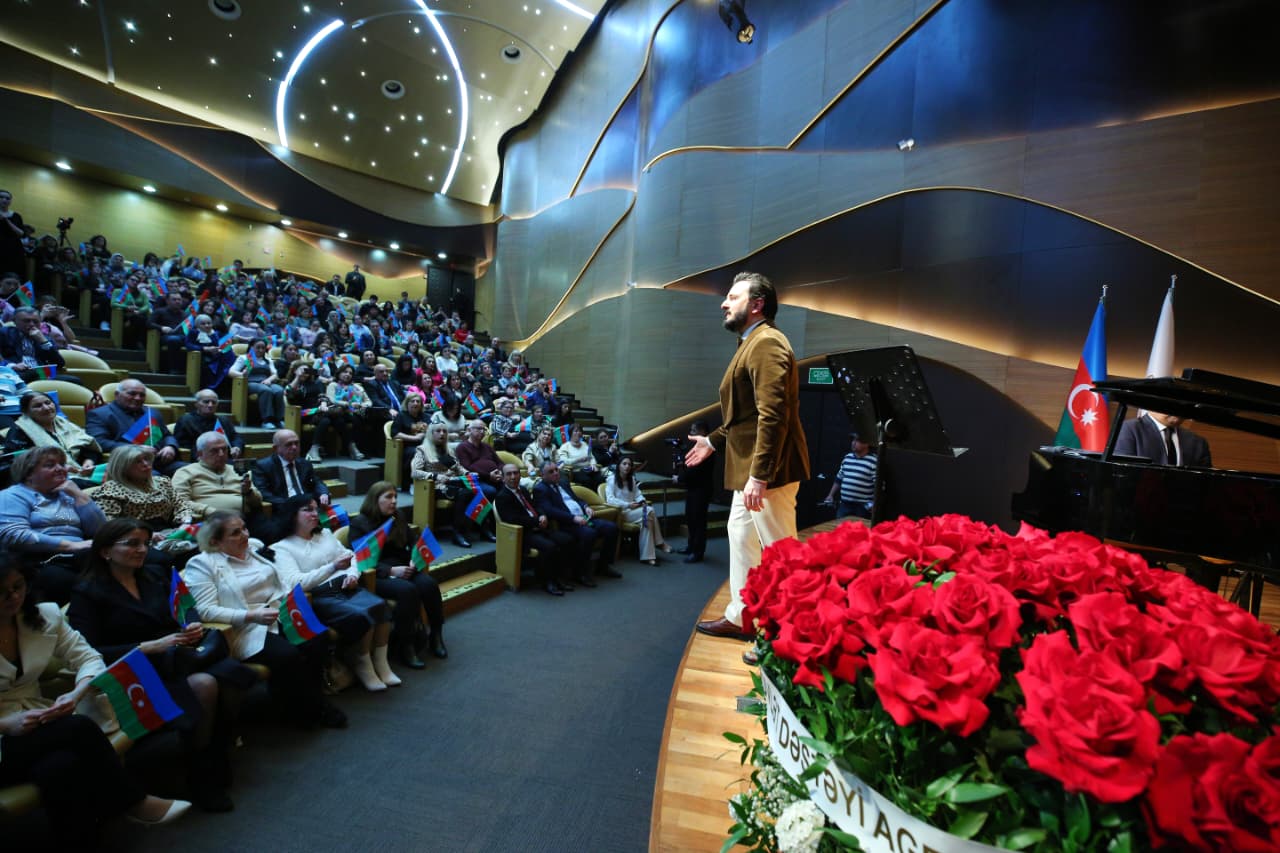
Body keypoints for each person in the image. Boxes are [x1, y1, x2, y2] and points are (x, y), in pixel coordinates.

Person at [0, 559, 191, 845]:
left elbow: (88, 657)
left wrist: (76, 692)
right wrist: (5, 723)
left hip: (34, 724)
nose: (14, 597)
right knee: (78, 728)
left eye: (18, 587)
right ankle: (132, 800)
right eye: (2, 592)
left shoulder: (43, 615)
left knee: (59, 767)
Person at [69, 519, 251, 813]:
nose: (142, 550)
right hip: (134, 671)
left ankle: (214, 750)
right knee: (205, 685)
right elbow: (88, 652)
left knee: (232, 677)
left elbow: (183, 608)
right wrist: (146, 648)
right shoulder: (87, 593)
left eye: (145, 543)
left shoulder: (153, 575)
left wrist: (189, 624)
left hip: (175, 656)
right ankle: (199, 770)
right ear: (105, 552)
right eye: (132, 544)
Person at [684, 272, 810, 656]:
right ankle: (743, 617)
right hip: (752, 471)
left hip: (767, 472)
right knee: (740, 537)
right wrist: (712, 440)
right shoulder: (751, 342)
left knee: (780, 551)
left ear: (757, 304)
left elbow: (773, 415)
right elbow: (746, 417)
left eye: (733, 296)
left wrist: (760, 475)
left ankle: (787, 634)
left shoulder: (767, 342)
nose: (724, 302)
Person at [184, 511, 347, 729]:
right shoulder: (202, 564)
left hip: (278, 613)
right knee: (287, 654)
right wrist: (251, 615)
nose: (244, 535)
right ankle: (312, 709)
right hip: (244, 626)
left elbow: (281, 585)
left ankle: (300, 702)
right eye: (235, 533)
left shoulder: (253, 550)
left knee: (317, 638)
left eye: (244, 528)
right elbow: (205, 610)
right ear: (215, 541)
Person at [269, 496, 399, 691]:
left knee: (380, 606)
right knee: (362, 615)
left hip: (346, 586)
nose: (315, 514)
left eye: (315, 509)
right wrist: (332, 567)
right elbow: (296, 583)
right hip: (319, 596)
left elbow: (351, 556)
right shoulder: (281, 548)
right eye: (308, 510)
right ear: (292, 515)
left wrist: (352, 574)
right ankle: (363, 664)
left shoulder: (326, 535)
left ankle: (381, 662)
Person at [348, 482, 447, 668]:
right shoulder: (359, 523)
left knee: (430, 585)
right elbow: (359, 560)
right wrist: (391, 571)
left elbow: (414, 542)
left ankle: (436, 634)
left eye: (395, 497)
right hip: (377, 574)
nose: (393, 501)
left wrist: (414, 561)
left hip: (404, 567)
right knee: (408, 591)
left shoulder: (398, 516)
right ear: (375, 499)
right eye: (388, 497)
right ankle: (406, 646)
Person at [1115, 409, 1217, 589]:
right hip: (1137, 526)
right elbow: (1122, 483)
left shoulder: (1197, 443)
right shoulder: (1129, 430)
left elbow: (1206, 490)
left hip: (1185, 527)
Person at [0, 447, 105, 604]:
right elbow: (13, 535)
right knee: (67, 581)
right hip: (42, 560)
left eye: (62, 464)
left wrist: (79, 495)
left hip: (82, 554)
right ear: (28, 473)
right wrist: (70, 546)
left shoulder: (68, 494)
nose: (60, 469)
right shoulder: (13, 495)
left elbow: (100, 531)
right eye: (50, 465)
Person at [92, 445, 198, 568]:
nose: (146, 464)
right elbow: (110, 524)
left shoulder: (162, 482)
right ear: (123, 467)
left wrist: (186, 522)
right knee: (163, 560)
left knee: (206, 547)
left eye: (146, 459)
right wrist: (146, 535)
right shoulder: (111, 489)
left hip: (169, 532)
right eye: (138, 461)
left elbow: (181, 505)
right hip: (134, 538)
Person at [494, 463, 576, 596]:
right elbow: (513, 519)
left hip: (538, 528)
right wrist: (536, 521)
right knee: (549, 547)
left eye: (516, 473)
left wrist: (542, 514)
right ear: (503, 478)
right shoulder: (502, 497)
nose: (513, 476)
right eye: (509, 474)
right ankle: (548, 581)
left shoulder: (523, 490)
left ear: (520, 475)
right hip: (523, 534)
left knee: (567, 540)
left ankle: (560, 576)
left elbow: (535, 506)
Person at [533, 462, 620, 586]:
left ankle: (603, 565)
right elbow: (549, 510)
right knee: (589, 534)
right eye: (551, 472)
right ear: (542, 475)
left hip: (584, 517)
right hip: (567, 523)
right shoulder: (540, 489)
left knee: (612, 528)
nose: (556, 473)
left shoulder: (563, 482)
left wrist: (585, 506)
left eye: (556, 470)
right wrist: (573, 518)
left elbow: (576, 499)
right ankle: (580, 573)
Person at [86, 378, 184, 476]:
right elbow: (99, 442)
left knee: (189, 471)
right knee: (155, 477)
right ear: (117, 394)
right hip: (128, 464)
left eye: (142, 395)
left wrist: (170, 446)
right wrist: (135, 448)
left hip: (159, 461)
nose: (137, 398)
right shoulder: (99, 414)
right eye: (132, 394)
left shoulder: (152, 412)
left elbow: (167, 435)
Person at [1, 391, 103, 478]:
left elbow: (87, 447)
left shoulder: (62, 423)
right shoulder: (20, 431)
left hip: (81, 471)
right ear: (26, 412)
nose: (46, 408)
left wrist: (89, 462)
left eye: (48, 402)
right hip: (49, 479)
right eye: (38, 406)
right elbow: (21, 465)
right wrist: (59, 468)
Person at [410, 423, 479, 547]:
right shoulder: (422, 449)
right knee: (465, 493)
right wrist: (435, 476)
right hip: (434, 486)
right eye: (438, 431)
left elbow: (458, 467)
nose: (442, 433)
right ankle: (457, 533)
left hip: (452, 482)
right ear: (431, 434)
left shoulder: (448, 449)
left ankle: (478, 527)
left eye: (444, 431)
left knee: (477, 489)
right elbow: (415, 472)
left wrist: (468, 473)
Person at [172, 431, 263, 521]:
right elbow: (180, 503)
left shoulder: (239, 471)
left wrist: (248, 492)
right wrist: (209, 511)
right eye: (214, 451)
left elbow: (257, 502)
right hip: (207, 521)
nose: (221, 454)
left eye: (224, 449)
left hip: (244, 518)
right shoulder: (185, 472)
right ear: (200, 454)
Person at [606, 456, 670, 565]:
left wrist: (642, 501)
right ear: (618, 466)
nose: (627, 466)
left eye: (629, 465)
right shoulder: (611, 479)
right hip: (621, 512)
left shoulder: (631, 479)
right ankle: (660, 542)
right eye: (624, 464)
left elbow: (638, 494)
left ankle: (648, 556)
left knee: (647, 521)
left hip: (634, 511)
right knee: (649, 510)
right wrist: (628, 505)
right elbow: (610, 500)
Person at [251, 429, 331, 512]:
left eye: (296, 443)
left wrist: (323, 493)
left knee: (339, 518)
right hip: (284, 508)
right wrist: (292, 504)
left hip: (308, 506)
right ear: (276, 448)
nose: (294, 447)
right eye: (289, 444)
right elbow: (263, 493)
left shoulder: (304, 463)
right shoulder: (262, 466)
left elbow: (317, 482)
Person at [675, 420, 714, 563]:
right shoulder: (696, 447)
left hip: (701, 490)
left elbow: (695, 470)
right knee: (691, 519)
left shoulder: (707, 448)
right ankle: (691, 547)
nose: (690, 434)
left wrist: (680, 478)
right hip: (693, 489)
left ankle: (698, 553)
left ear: (702, 432)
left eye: (693, 431)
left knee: (698, 522)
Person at [0, 306, 67, 384]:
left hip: (41, 374)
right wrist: (11, 365)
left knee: (73, 380)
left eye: (35, 321)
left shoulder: (44, 338)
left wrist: (43, 342)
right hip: (15, 373)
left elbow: (60, 364)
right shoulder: (4, 333)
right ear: (14, 321)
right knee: (27, 376)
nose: (32, 324)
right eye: (26, 321)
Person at [228, 338, 285, 429]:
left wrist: (269, 380)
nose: (261, 350)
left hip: (265, 382)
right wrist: (242, 374)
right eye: (258, 347)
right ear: (251, 347)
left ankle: (279, 419)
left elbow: (275, 374)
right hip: (249, 383)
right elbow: (231, 372)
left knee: (279, 390)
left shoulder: (268, 360)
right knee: (265, 390)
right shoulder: (244, 358)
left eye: (263, 348)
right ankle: (267, 420)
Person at [174, 389, 244, 459]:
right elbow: (182, 445)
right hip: (199, 460)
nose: (210, 405)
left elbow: (235, 437)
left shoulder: (223, 420)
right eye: (206, 402)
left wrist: (236, 447)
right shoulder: (186, 420)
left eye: (214, 402)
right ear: (196, 404)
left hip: (224, 459)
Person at [823, 433, 878, 519]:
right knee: (840, 529)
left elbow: (878, 486)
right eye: (853, 440)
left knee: (859, 531)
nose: (853, 443)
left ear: (867, 444)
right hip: (845, 505)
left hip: (863, 508)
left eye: (857, 440)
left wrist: (874, 503)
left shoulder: (874, 461)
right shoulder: (847, 458)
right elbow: (839, 478)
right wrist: (830, 495)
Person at [325, 363, 369, 460]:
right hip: (335, 412)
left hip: (352, 412)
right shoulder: (333, 384)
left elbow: (368, 401)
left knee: (358, 419)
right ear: (339, 373)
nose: (348, 374)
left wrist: (362, 405)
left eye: (350, 373)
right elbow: (331, 400)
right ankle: (352, 448)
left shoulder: (356, 387)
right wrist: (347, 404)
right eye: (345, 372)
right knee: (339, 420)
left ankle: (358, 448)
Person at [185, 314, 235, 391]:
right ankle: (209, 388)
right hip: (202, 356)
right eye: (203, 324)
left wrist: (219, 349)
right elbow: (188, 345)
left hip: (216, 355)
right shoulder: (193, 332)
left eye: (209, 323)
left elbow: (221, 344)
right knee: (210, 367)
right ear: (197, 325)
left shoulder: (216, 333)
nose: (207, 325)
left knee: (228, 356)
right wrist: (205, 349)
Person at [556, 424, 604, 489]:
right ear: (570, 433)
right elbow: (564, 461)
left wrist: (593, 464)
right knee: (587, 480)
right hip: (576, 471)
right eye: (575, 431)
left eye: (580, 431)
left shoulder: (585, 444)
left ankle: (598, 496)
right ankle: (589, 497)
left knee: (600, 478)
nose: (578, 433)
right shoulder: (565, 446)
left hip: (589, 469)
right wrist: (578, 460)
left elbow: (591, 457)